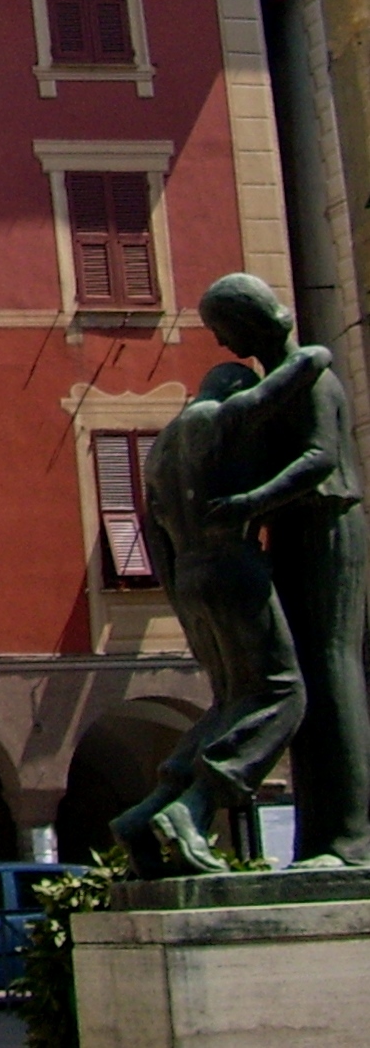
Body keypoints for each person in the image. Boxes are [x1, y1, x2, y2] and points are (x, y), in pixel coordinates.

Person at [110, 342, 323, 874]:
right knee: (282, 690)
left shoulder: (159, 450)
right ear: (231, 390)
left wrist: (181, 597)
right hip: (230, 564)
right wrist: (310, 357)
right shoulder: (212, 419)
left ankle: (149, 812)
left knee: (230, 698)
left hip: (189, 574)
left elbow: (155, 537)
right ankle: (195, 806)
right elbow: (271, 395)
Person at [196, 274, 370, 866]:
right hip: (295, 527)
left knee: (332, 669)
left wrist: (249, 502)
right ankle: (319, 837)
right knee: (309, 688)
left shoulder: (311, 374)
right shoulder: (281, 381)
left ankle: (350, 840)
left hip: (329, 524)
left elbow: (320, 457)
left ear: (247, 322)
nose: (221, 344)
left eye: (222, 329)